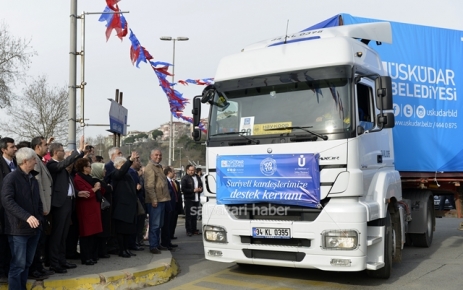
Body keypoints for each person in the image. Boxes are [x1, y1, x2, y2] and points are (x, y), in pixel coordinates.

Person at [1, 147, 42, 289]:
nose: (36, 162)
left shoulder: (33, 179)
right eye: (33, 159)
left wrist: (39, 218)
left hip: (34, 229)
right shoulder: (11, 178)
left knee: (26, 264)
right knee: (18, 265)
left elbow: (38, 202)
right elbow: (7, 201)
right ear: (25, 161)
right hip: (18, 230)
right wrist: (27, 217)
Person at [46, 136, 85, 274]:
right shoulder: (52, 164)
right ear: (56, 152)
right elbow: (63, 164)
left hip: (68, 202)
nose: (65, 152)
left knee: (64, 234)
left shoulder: (61, 166)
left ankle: (62, 260)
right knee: (57, 235)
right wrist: (78, 150)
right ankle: (54, 263)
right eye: (63, 150)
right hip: (59, 204)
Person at [28, 136, 55, 279]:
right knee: (37, 242)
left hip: (43, 208)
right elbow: (38, 188)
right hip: (40, 209)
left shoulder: (39, 159)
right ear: (38, 147)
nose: (47, 148)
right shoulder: (35, 161)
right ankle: (35, 270)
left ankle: (39, 268)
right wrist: (44, 207)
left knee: (41, 240)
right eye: (45, 145)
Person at [73, 158, 103, 265]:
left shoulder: (89, 178)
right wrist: (95, 189)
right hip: (85, 209)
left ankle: (93, 255)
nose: (90, 168)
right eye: (89, 166)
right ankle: (86, 257)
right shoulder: (78, 179)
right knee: (86, 235)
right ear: (84, 168)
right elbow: (85, 194)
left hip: (93, 209)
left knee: (94, 234)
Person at [111, 152, 139, 258]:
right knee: (121, 231)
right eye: (124, 164)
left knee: (128, 231)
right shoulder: (115, 173)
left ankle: (127, 248)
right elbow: (121, 172)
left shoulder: (128, 175)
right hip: (121, 208)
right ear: (118, 165)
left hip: (130, 207)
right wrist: (130, 160)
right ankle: (121, 250)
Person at [144, 149, 171, 254]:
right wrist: (153, 199)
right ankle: (153, 246)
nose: (158, 157)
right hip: (156, 200)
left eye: (160, 155)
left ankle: (157, 243)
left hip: (162, 199)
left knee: (159, 224)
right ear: (151, 156)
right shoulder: (150, 168)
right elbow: (149, 186)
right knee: (155, 224)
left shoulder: (159, 167)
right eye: (156, 155)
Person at [0, 137, 17, 282]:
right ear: (4, 150)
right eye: (12, 147)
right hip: (3, 210)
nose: (15, 149)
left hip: (15, 211)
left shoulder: (16, 163)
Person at [90, 162, 112, 259]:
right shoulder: (95, 180)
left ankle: (103, 250)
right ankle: (101, 251)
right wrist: (108, 187)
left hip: (105, 210)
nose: (105, 171)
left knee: (105, 230)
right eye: (103, 169)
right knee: (101, 231)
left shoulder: (101, 180)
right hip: (101, 210)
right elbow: (106, 189)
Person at [127, 155, 145, 252]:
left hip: (139, 200)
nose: (139, 163)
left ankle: (135, 242)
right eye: (137, 160)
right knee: (135, 225)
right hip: (134, 202)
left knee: (138, 224)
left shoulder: (134, 173)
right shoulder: (130, 172)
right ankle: (132, 244)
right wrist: (136, 188)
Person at [181, 165, 203, 237]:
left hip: (197, 199)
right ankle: (189, 230)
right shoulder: (185, 178)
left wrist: (200, 189)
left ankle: (194, 229)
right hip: (189, 199)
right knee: (189, 216)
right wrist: (193, 190)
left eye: (193, 170)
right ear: (187, 170)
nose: (191, 171)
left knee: (195, 215)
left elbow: (201, 185)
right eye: (190, 170)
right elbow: (183, 189)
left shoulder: (197, 177)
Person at [160, 167, 178, 250]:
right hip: (167, 206)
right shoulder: (165, 181)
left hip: (172, 206)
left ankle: (168, 242)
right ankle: (165, 243)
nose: (174, 173)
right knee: (166, 226)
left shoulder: (171, 182)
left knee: (170, 226)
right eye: (173, 172)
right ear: (169, 172)